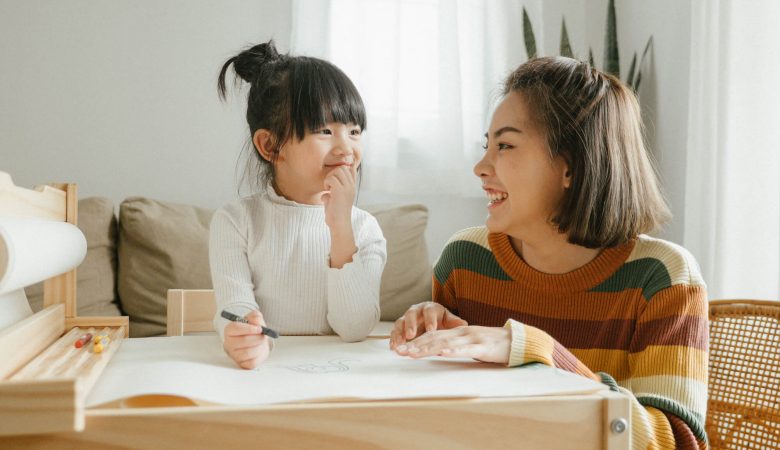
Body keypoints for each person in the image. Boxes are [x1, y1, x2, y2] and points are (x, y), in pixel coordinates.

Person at [390, 57, 708, 449]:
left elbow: (676, 442)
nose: (480, 167)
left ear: (569, 166)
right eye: (485, 145)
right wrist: (429, 334)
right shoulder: (465, 259)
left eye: (505, 145)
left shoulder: (662, 277)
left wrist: (537, 352)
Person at [211, 40, 386, 369]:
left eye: (354, 131)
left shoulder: (364, 228)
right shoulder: (236, 220)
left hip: (339, 377)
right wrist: (241, 336)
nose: (346, 148)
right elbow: (234, 306)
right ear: (270, 145)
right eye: (324, 130)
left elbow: (354, 328)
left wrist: (340, 227)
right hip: (266, 375)